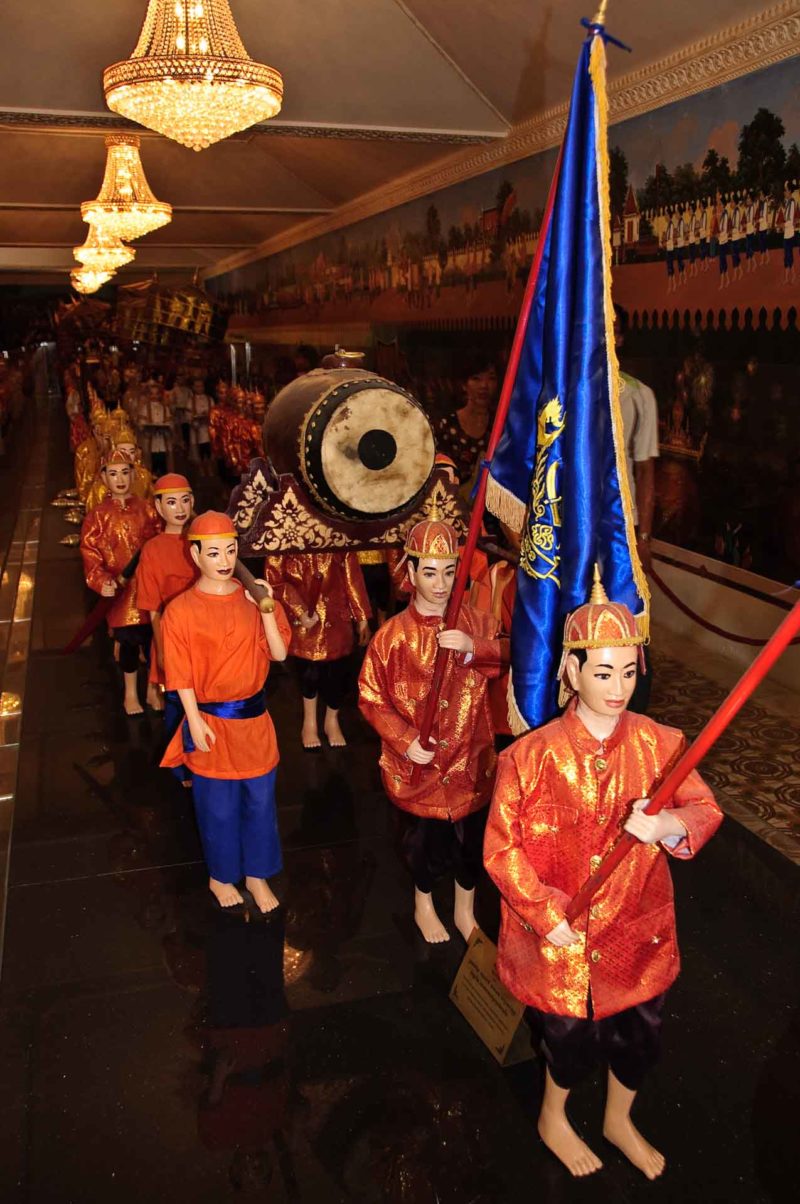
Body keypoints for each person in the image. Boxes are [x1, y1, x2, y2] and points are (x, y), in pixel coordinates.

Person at [484, 570, 722, 1180]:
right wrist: (543, 911)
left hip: (635, 929)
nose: (617, 688)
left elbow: (705, 809)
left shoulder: (661, 746)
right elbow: (501, 851)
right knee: (566, 1042)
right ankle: (553, 1116)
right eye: (602, 672)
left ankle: (620, 1118)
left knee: (639, 1037)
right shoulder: (528, 760)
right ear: (570, 671)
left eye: (627, 671)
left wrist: (668, 825)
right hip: (559, 935)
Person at [359, 517, 509, 944]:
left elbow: (510, 656)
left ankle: (465, 909)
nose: (441, 584)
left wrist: (473, 647)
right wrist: (405, 741)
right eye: (429, 572)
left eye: (449, 571)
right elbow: (370, 696)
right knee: (424, 848)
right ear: (410, 574)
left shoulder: (476, 621)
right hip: (420, 773)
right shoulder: (391, 638)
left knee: (470, 848)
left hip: (471, 760)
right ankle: (423, 902)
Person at [160, 512, 291, 913]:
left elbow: (281, 653)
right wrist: (194, 722)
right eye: (213, 551)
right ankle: (220, 876)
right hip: (211, 723)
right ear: (195, 553)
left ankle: (257, 873)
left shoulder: (254, 598)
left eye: (231, 550)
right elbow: (179, 675)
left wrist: (266, 608)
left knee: (260, 802)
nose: (223, 559)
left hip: (253, 722)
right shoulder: (180, 611)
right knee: (216, 806)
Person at [79, 447, 161, 715]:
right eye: (113, 474)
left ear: (133, 474)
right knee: (128, 642)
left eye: (125, 472)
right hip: (121, 590)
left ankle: (151, 689)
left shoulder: (147, 509)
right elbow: (90, 552)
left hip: (148, 587)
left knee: (153, 641)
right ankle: (129, 693)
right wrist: (101, 579)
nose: (120, 479)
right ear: (104, 478)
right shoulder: (98, 516)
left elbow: (160, 542)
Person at [264, 551, 371, 749]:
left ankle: (332, 719)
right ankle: (310, 722)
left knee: (338, 675)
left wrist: (361, 617)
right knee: (308, 674)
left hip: (337, 619)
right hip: (305, 622)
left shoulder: (338, 536)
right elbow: (275, 580)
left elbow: (352, 576)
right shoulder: (285, 538)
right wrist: (298, 608)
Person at [135, 473, 198, 723]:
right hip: (173, 633)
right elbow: (152, 607)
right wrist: (161, 649)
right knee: (177, 700)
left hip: (205, 629)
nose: (180, 509)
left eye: (185, 500)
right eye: (172, 503)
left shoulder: (201, 540)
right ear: (159, 507)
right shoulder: (153, 549)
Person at [432, 353, 498, 486]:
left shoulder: (500, 425)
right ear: (464, 384)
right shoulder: (446, 426)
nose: (484, 385)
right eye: (476, 379)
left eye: (491, 378)